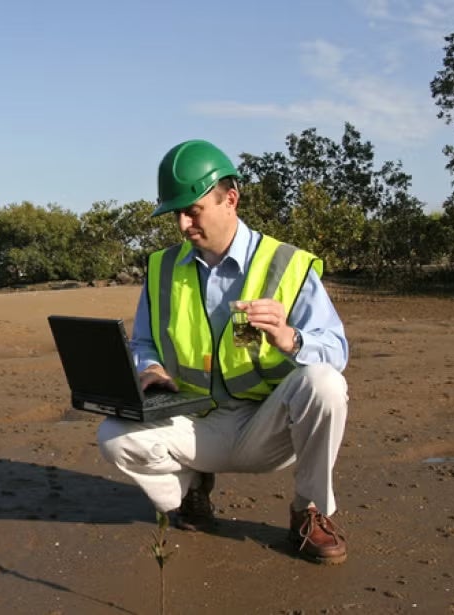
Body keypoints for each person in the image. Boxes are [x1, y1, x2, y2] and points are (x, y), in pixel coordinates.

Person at [96, 139, 351, 564]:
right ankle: (192, 489)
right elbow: (142, 342)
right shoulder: (161, 268)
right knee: (114, 436)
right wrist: (151, 367)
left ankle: (309, 510)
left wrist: (292, 339)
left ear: (230, 199)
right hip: (195, 422)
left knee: (325, 383)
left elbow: (337, 350)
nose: (181, 224)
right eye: (175, 213)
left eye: (192, 211)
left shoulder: (287, 264)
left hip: (268, 426)